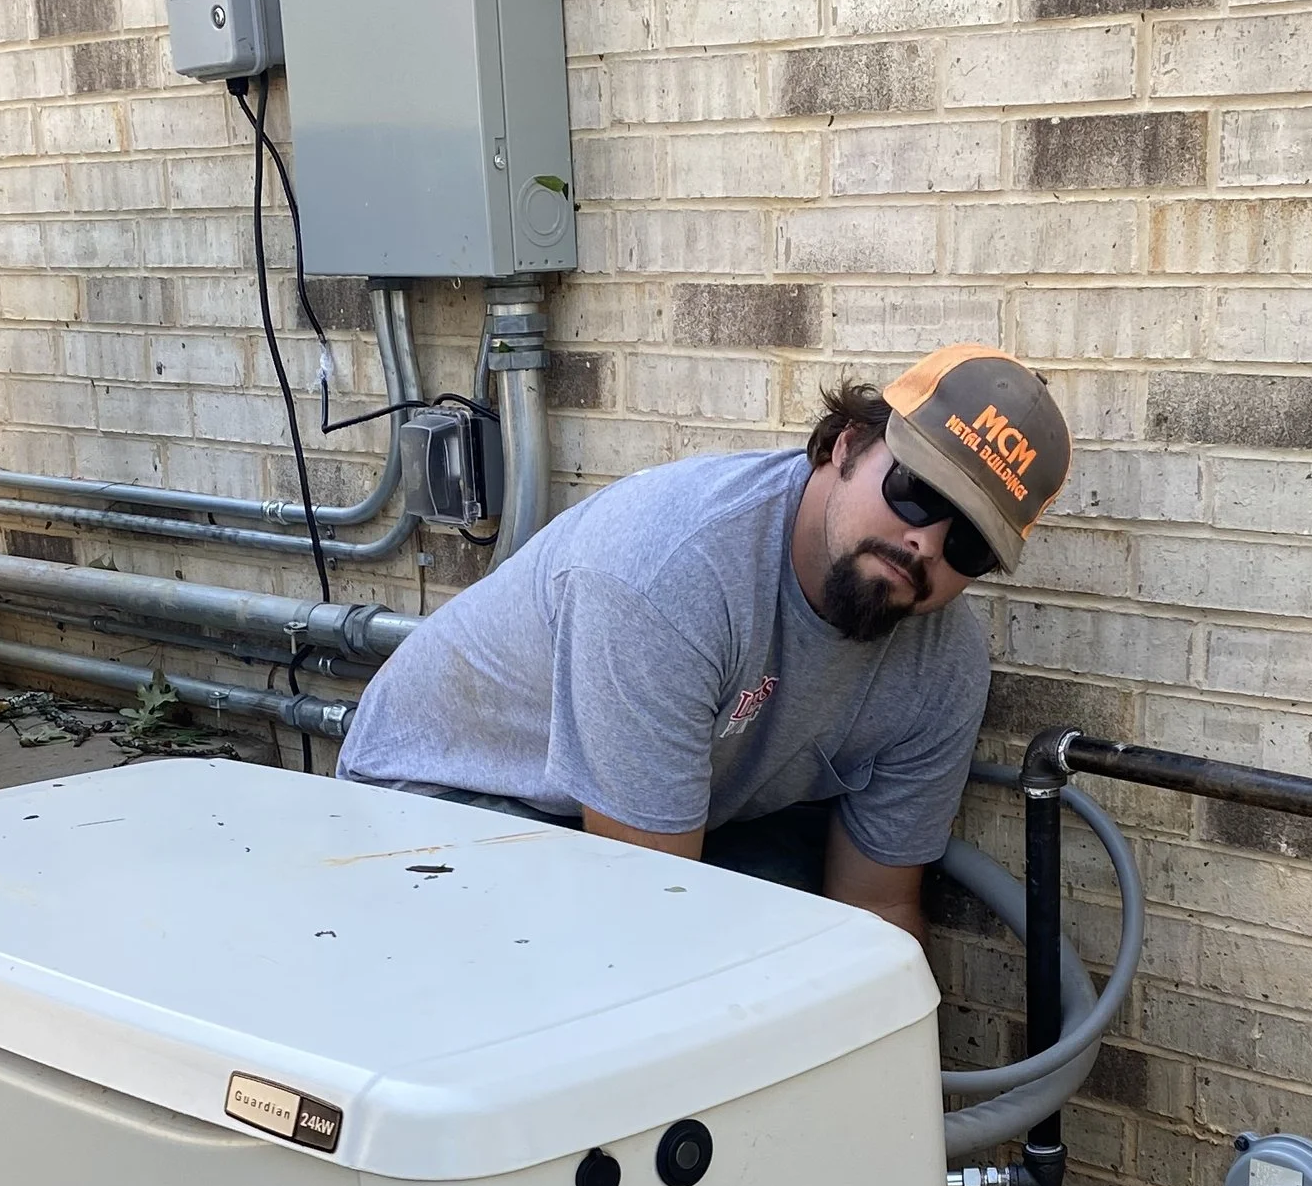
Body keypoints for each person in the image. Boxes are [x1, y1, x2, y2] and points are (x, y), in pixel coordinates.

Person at [335, 345, 1071, 946]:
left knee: (812, 936)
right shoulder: (671, 575)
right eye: (917, 490)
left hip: (656, 836)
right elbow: (644, 921)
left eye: (969, 542)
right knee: (597, 973)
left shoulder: (943, 668)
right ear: (846, 446)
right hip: (441, 805)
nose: (925, 541)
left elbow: (874, 918)